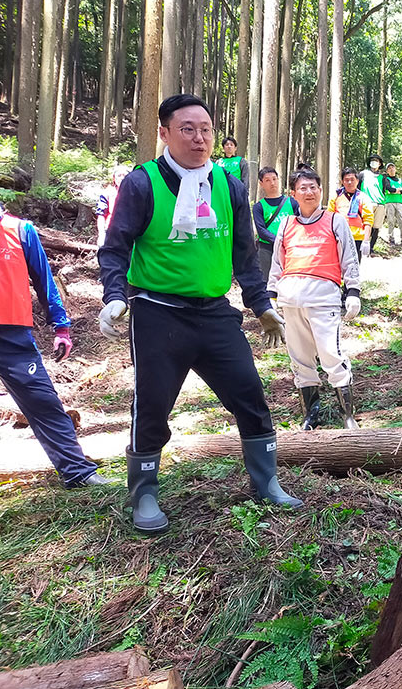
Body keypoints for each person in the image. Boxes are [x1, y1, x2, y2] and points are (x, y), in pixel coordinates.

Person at [97, 93, 300, 534]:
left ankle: (267, 483)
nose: (199, 138)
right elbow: (115, 248)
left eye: (205, 129)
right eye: (187, 129)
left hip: (215, 313)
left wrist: (261, 305)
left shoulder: (228, 185)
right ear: (165, 133)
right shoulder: (142, 183)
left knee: (249, 392)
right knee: (152, 404)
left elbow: (244, 253)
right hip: (158, 312)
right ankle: (144, 494)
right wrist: (115, 295)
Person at [0, 163, 110, 488]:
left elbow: (44, 281)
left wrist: (61, 327)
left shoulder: (19, 230)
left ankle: (77, 472)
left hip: (11, 336)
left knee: (44, 404)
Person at [268, 167, 361, 430]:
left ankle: (347, 415)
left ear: (321, 190)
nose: (309, 192)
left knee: (332, 355)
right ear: (293, 194)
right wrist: (271, 296)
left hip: (324, 300)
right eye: (303, 188)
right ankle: (311, 415)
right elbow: (277, 262)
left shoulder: (335, 221)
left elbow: (349, 259)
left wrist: (353, 292)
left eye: (314, 187)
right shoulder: (286, 224)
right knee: (300, 359)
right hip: (290, 300)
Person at [252, 167, 299, 284]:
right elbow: (261, 230)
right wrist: (279, 240)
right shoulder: (259, 207)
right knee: (267, 281)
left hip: (290, 247)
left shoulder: (292, 202)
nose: (272, 183)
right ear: (261, 183)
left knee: (290, 279)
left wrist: (287, 241)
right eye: (267, 180)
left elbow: (300, 223)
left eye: (274, 179)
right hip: (267, 248)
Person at [327, 167, 374, 263]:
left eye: (352, 180)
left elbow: (368, 220)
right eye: (346, 180)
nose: (349, 182)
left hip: (357, 238)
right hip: (339, 237)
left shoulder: (363, 197)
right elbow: (329, 218)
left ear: (357, 181)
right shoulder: (336, 196)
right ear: (342, 182)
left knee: (353, 267)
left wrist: (366, 240)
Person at [96, 165, 131, 246]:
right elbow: (101, 215)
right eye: (119, 175)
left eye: (125, 176)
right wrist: (101, 235)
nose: (122, 178)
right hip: (109, 231)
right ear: (114, 178)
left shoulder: (133, 194)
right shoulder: (107, 193)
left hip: (127, 233)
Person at [358, 154, 386, 254]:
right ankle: (361, 245)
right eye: (373, 160)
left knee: (376, 227)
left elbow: (383, 190)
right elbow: (357, 187)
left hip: (380, 204)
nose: (374, 162)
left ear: (380, 164)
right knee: (365, 225)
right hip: (366, 203)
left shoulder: (383, 178)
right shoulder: (363, 174)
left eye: (377, 161)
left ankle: (371, 248)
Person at [381, 162, 402, 246]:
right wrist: (398, 190)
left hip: (399, 202)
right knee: (391, 221)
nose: (391, 169)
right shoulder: (386, 179)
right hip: (389, 202)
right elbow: (388, 188)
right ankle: (391, 238)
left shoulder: (400, 180)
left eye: (393, 167)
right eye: (389, 168)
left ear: (395, 169)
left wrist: (395, 191)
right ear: (387, 170)